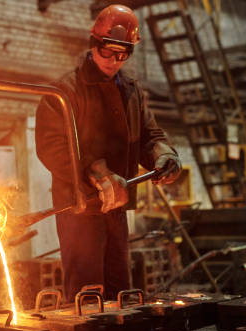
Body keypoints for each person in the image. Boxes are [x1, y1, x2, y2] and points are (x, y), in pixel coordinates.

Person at [35, 4, 181, 301]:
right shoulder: (65, 91)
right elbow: (51, 146)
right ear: (94, 44)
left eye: (122, 54)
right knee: (86, 294)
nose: (114, 61)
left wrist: (163, 154)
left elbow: (148, 135)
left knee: (120, 290)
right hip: (80, 207)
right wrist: (96, 172)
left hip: (116, 206)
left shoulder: (131, 91)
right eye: (108, 52)